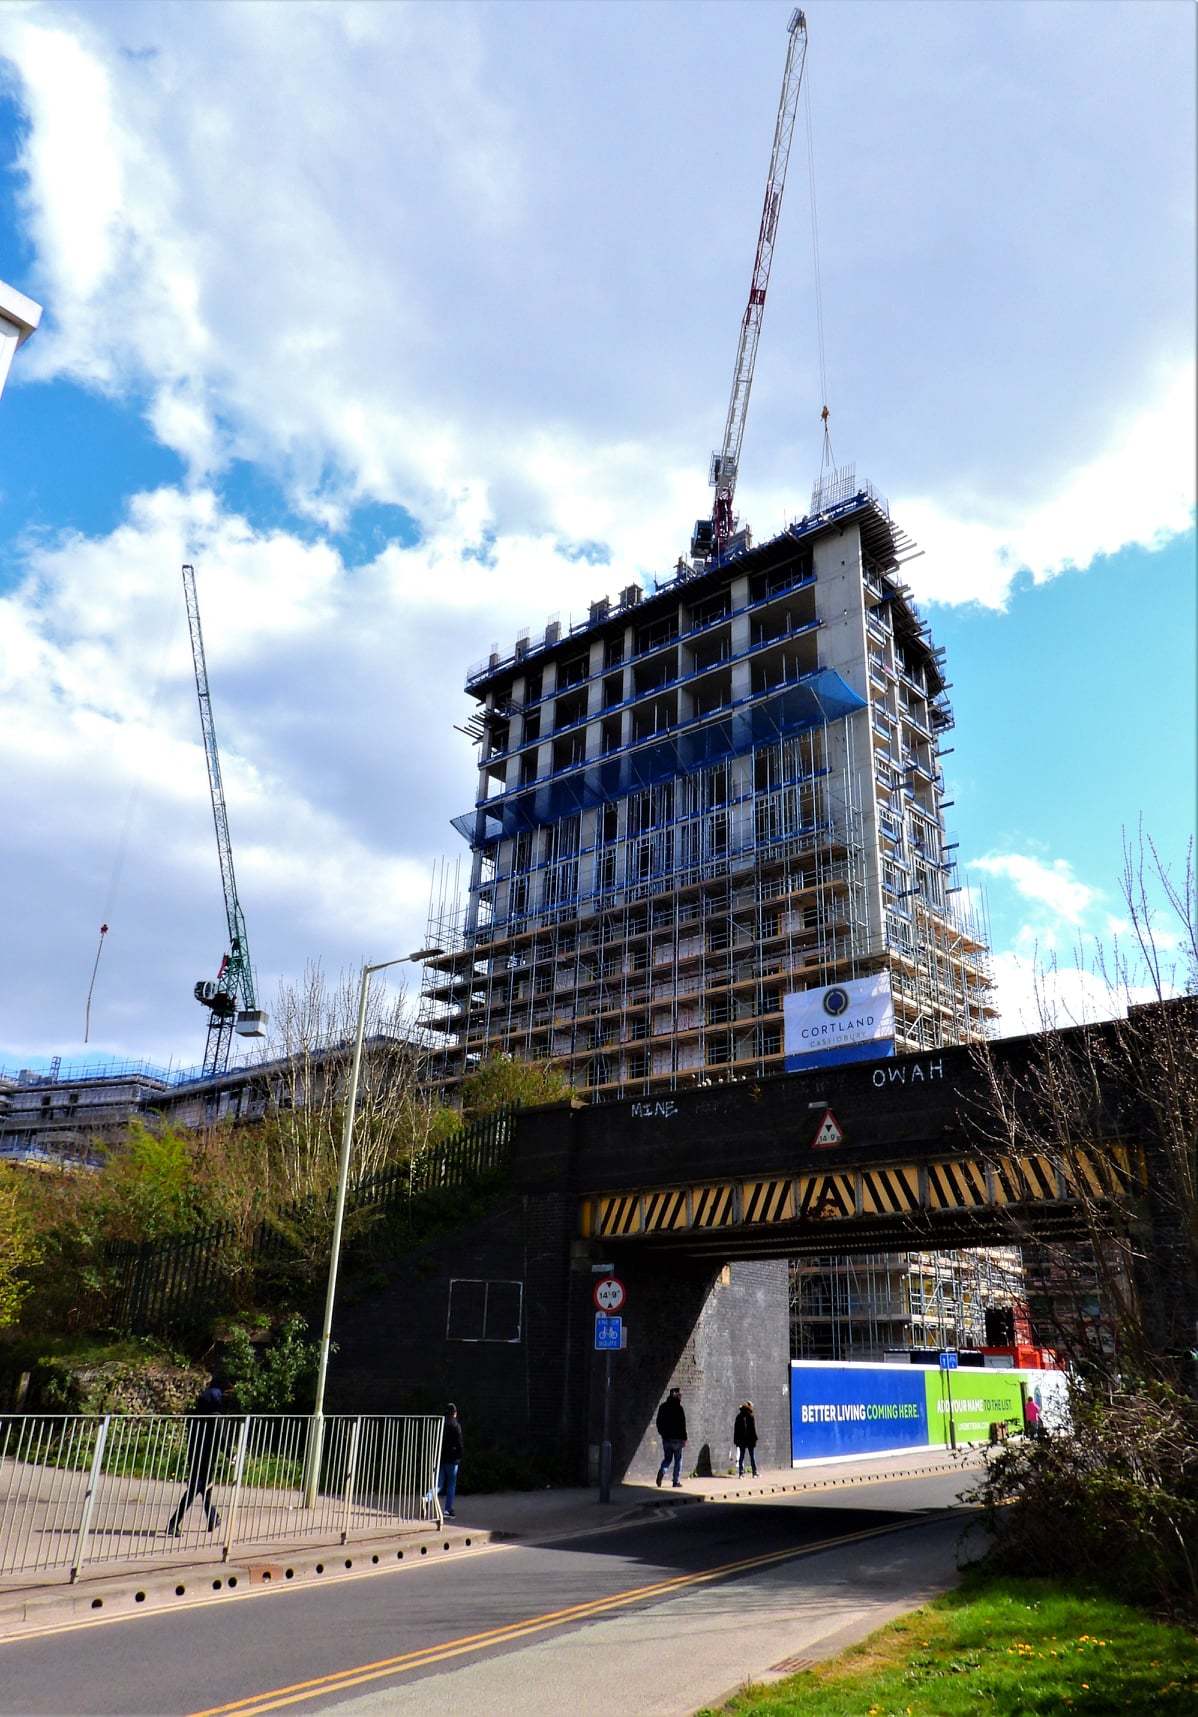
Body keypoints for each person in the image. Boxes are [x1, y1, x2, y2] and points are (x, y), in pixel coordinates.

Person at [165, 1376, 226, 1537]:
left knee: (204, 1488)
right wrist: (230, 1454)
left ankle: (213, 1518)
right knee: (196, 1489)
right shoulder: (215, 1417)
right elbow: (220, 1440)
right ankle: (173, 1522)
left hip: (195, 1455)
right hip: (207, 1457)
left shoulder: (195, 1416)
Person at [655, 1386, 687, 1489]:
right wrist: (684, 1438)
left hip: (666, 1438)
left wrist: (662, 1434)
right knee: (678, 1460)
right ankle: (675, 1481)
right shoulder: (679, 1408)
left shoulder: (662, 1407)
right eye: (680, 1395)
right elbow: (683, 1425)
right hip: (677, 1439)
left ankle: (662, 1471)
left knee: (667, 1458)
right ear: (677, 1396)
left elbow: (658, 1422)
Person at [438, 1404, 464, 1519]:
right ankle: (448, 1510)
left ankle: (427, 1498)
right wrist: (460, 1455)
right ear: (455, 1412)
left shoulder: (442, 1424)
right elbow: (459, 1443)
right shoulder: (455, 1425)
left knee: (438, 1484)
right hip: (452, 1459)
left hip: (441, 1457)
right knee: (451, 1485)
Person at [733, 1400, 758, 1478]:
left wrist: (736, 1440)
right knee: (752, 1456)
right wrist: (755, 1439)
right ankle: (754, 1473)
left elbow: (736, 1430)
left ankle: (741, 1473)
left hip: (741, 1440)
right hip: (750, 1439)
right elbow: (753, 1429)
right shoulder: (751, 1416)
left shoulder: (739, 1417)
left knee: (742, 1456)